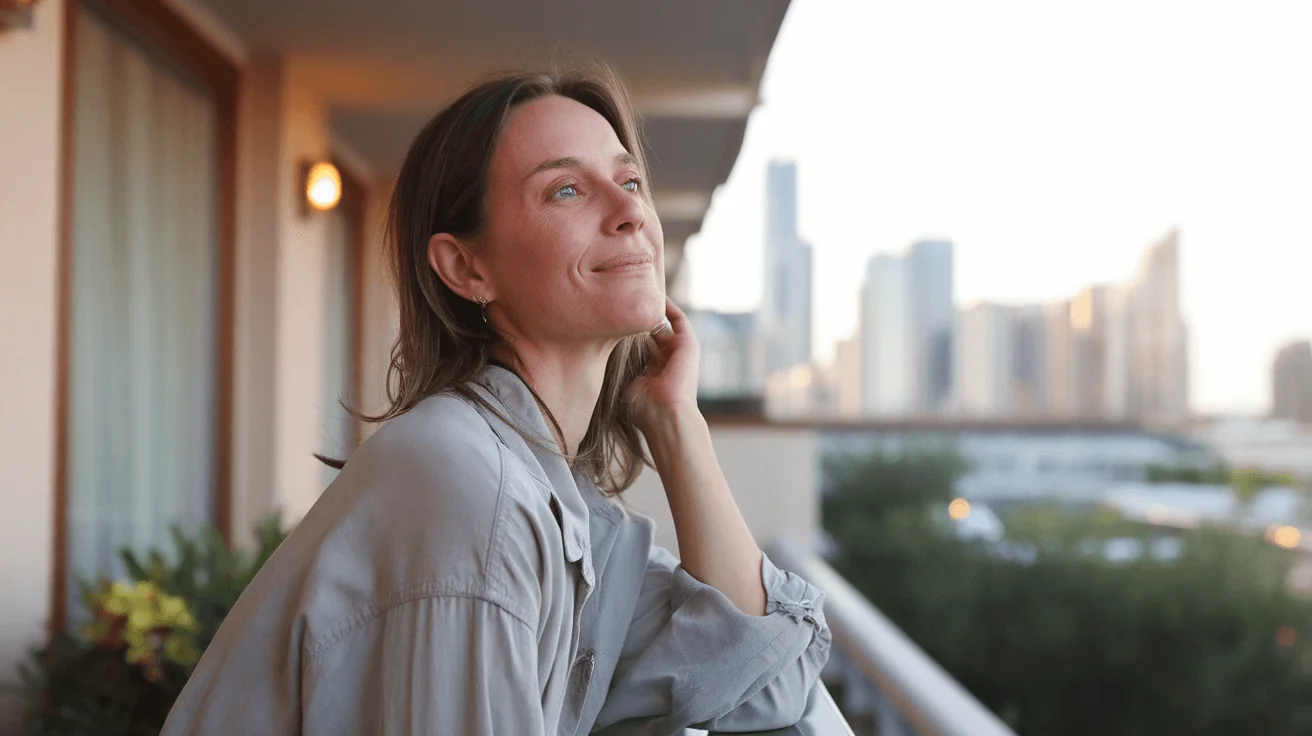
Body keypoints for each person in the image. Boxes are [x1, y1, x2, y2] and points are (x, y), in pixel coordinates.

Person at [161, 65, 830, 735]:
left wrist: (676, 424)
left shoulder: (556, 505)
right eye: (566, 190)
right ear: (466, 269)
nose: (629, 211)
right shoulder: (467, 489)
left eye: (629, 182)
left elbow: (768, 688)